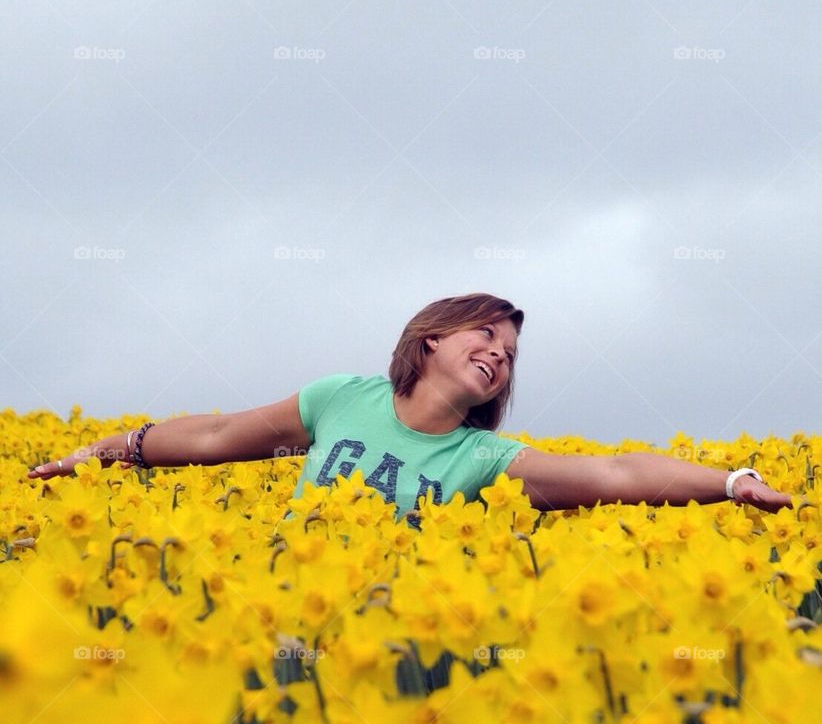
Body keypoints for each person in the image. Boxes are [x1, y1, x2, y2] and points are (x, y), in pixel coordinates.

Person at [27, 293, 793, 518]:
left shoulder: (486, 461)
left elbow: (618, 474)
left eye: (511, 356)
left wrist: (730, 483)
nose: (500, 352)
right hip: (284, 628)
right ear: (428, 339)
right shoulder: (339, 400)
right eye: (486, 333)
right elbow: (220, 433)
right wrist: (98, 454)